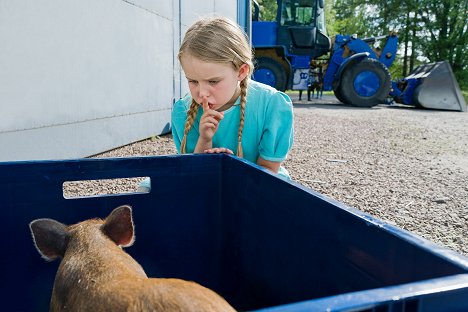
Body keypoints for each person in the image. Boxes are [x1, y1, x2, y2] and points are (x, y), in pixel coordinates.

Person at [139, 17, 294, 192]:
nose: (202, 93)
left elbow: (268, 172)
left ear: (241, 71)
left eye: (213, 81)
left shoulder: (272, 105)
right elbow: (194, 173)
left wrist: (231, 169)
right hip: (204, 181)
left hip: (256, 184)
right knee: (147, 188)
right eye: (193, 81)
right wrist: (205, 141)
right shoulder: (183, 110)